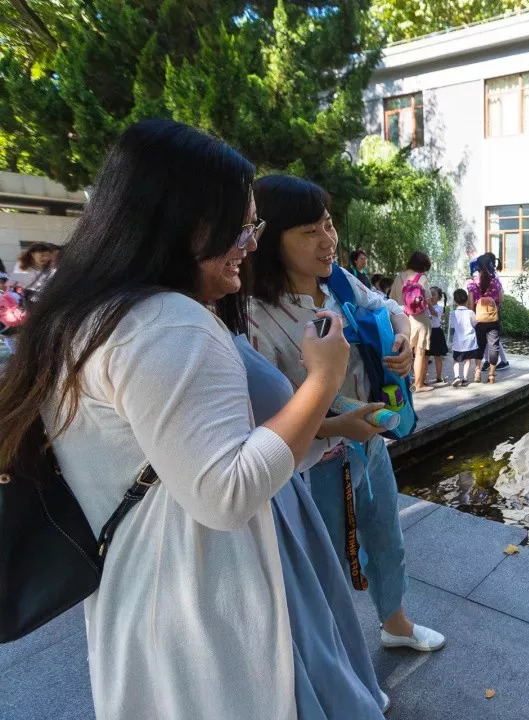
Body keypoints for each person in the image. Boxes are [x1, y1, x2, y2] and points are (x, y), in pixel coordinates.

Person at [0, 119, 352, 719]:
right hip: (199, 604)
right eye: (242, 227)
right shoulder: (172, 326)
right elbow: (226, 493)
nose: (250, 241)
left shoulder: (91, 313)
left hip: (138, 588)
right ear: (190, 227)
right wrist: (322, 380)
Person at [247, 174, 445, 656]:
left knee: (387, 539)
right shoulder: (256, 317)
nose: (328, 240)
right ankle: (337, 664)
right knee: (327, 564)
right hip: (315, 464)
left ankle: (395, 624)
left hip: (369, 441)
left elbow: (386, 306)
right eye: (309, 231)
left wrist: (401, 335)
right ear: (271, 239)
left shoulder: (335, 281)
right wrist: (336, 425)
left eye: (329, 225)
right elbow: (262, 426)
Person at [215, 287, 389, 718]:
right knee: (302, 633)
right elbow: (231, 476)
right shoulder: (188, 327)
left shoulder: (212, 312)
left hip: (285, 488)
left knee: (326, 611)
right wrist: (324, 380)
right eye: (310, 229)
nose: (249, 242)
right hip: (264, 505)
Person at [390, 251, 435, 393]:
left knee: (403, 351)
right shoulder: (422, 278)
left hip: (401, 319)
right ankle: (419, 384)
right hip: (420, 319)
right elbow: (428, 301)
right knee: (419, 352)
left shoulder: (398, 277)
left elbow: (392, 300)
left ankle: (403, 383)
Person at [467, 253, 503, 384]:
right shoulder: (496, 282)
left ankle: (477, 372)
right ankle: (492, 375)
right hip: (493, 319)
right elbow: (501, 299)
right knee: (494, 346)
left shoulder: (472, 283)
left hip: (479, 319)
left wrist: (473, 316)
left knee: (479, 345)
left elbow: (470, 304)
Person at [449, 288, 480, 387]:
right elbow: (475, 323)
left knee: (456, 360)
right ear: (466, 300)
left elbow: (453, 326)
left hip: (458, 341)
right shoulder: (470, 312)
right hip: (469, 341)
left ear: (455, 301)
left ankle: (456, 376)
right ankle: (465, 379)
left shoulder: (453, 313)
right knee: (467, 360)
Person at [428, 286, 449, 384]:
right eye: (429, 294)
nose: (431, 297)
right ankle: (422, 378)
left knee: (437, 357)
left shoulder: (440, 308)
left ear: (439, 298)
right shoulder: (424, 307)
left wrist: (427, 302)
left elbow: (433, 312)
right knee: (425, 357)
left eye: (433, 295)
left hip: (436, 333)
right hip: (427, 332)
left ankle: (439, 376)